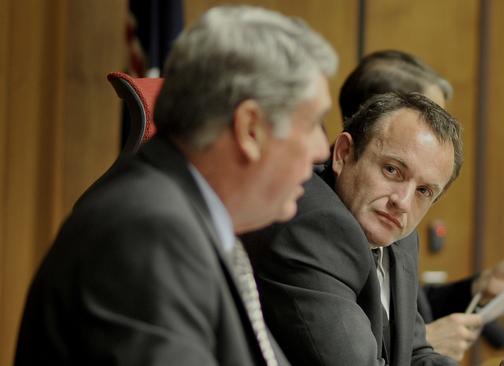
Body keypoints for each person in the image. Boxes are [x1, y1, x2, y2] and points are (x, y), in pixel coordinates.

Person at [14, 5, 336, 366]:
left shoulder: (192, 221)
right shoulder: (149, 230)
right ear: (250, 129)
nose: (322, 149)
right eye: (311, 124)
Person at [242, 92, 504, 366]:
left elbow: (416, 355)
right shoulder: (315, 224)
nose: (403, 201)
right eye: (392, 170)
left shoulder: (398, 236)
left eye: (424, 191)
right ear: (344, 153)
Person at [339, 50, 504, 362]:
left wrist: (478, 288)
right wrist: (424, 340)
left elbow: (400, 307)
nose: (438, 133)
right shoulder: (325, 223)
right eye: (427, 115)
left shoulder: (398, 228)